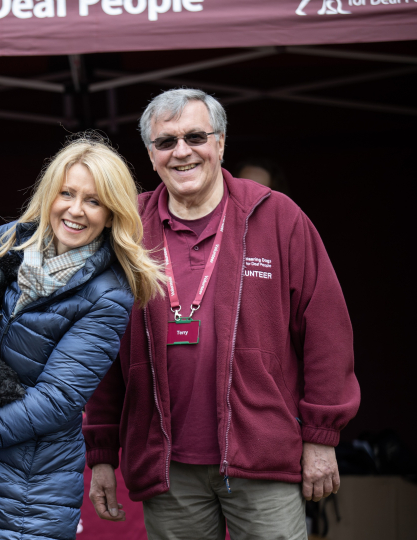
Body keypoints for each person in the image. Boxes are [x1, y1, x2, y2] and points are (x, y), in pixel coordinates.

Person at [84, 88, 360, 539]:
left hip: (263, 457)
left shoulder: (277, 217)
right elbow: (98, 346)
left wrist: (320, 437)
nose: (182, 152)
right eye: (166, 142)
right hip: (167, 467)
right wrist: (100, 451)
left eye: (196, 136)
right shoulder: (126, 230)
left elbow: (327, 332)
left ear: (221, 143)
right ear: (150, 155)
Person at [0, 135, 165, 540]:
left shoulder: (108, 294)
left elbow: (55, 402)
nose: (75, 210)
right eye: (67, 193)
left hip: (25, 494)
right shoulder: (13, 239)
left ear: (113, 214)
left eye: (93, 201)